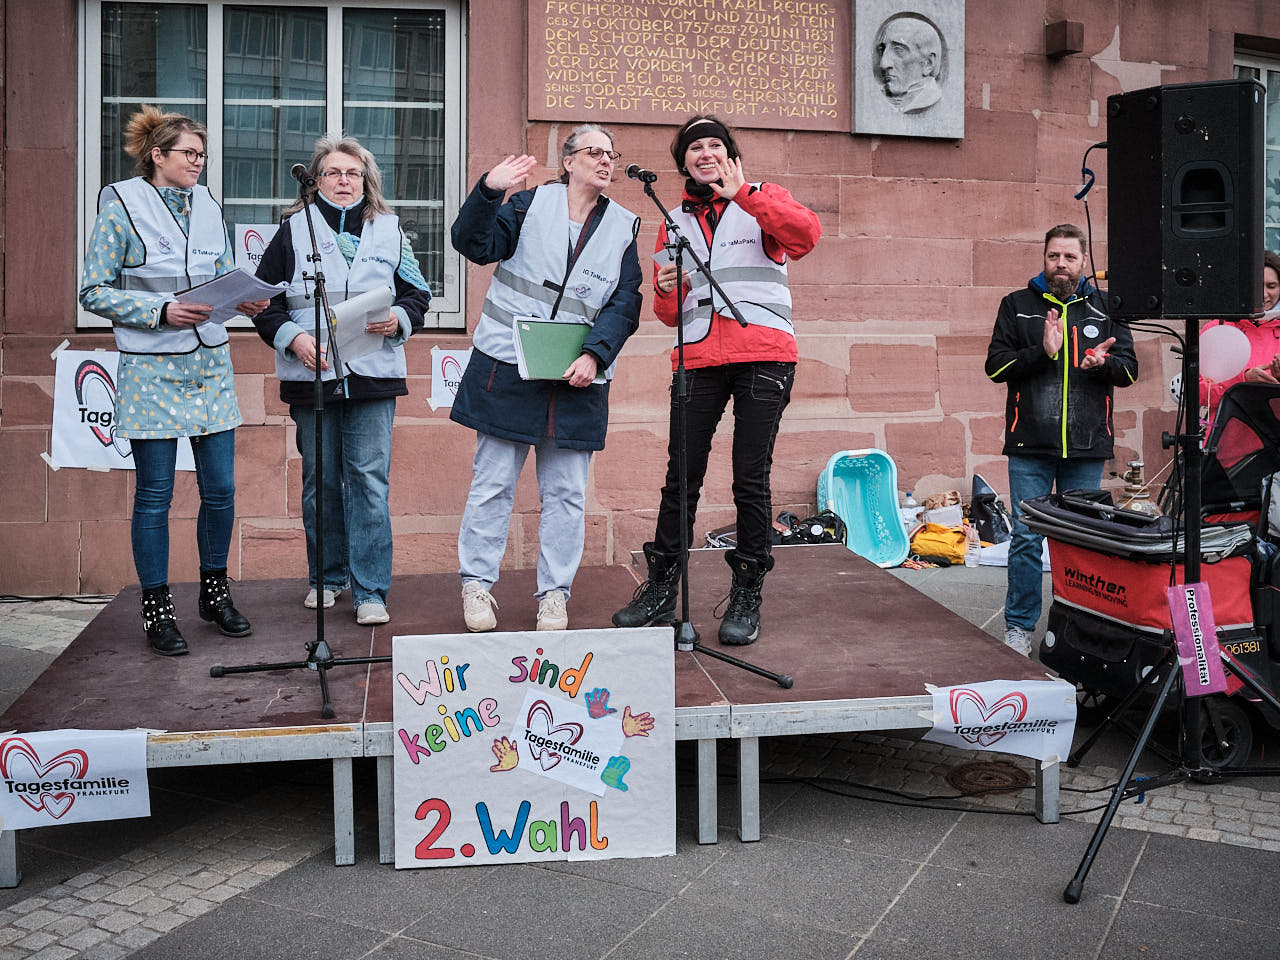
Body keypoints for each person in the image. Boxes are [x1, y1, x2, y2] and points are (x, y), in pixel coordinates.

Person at [612, 114, 822, 645]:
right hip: (698, 358)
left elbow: (805, 236)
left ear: (728, 154)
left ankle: (748, 592)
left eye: (714, 145)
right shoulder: (670, 219)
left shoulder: (763, 197)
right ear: (682, 160)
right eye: (694, 148)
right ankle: (661, 588)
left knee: (750, 477)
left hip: (764, 354)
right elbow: (668, 313)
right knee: (680, 474)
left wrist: (746, 193)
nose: (705, 154)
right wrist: (665, 289)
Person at [79, 106, 269, 656]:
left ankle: (214, 593)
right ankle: (157, 609)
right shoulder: (120, 204)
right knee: (156, 495)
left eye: (203, 155)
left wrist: (245, 299)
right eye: (189, 153)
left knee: (222, 489)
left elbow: (220, 276)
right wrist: (161, 310)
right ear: (157, 155)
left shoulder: (208, 204)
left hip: (208, 362)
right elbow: (93, 291)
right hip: (150, 365)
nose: (198, 162)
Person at [450, 124, 642, 633]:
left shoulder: (624, 225)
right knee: (492, 483)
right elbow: (474, 244)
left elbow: (625, 303)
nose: (605, 161)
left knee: (567, 493)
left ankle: (554, 594)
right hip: (508, 367)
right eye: (594, 152)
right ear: (569, 161)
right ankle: (476, 586)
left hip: (578, 377)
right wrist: (489, 190)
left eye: (610, 154)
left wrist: (597, 355)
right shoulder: (527, 204)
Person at [252, 135, 430, 626]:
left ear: (367, 180)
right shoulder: (293, 231)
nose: (344, 181)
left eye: (353, 173)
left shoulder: (391, 231)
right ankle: (327, 578)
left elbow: (418, 293)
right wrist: (292, 337)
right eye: (333, 172)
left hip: (373, 375)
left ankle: (370, 591)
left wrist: (399, 318)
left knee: (370, 483)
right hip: (315, 375)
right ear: (317, 180)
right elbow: (265, 302)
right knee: (321, 483)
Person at [985, 224, 1139, 656]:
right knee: (1027, 539)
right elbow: (995, 367)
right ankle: (1018, 628)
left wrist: (1101, 364)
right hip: (1030, 445)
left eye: (1070, 257)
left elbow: (1129, 373)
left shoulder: (1107, 307)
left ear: (1084, 262)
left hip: (1087, 448)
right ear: (1044, 258)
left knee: (1083, 545)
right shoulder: (1017, 306)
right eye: (1054, 256)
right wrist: (1043, 353)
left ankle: (1082, 630)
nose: (1061, 265)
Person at [1198, 249, 1280, 421]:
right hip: (1230, 439)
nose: (1264, 294)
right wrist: (1241, 380)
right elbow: (1196, 392)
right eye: (1256, 285)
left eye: (1271, 286)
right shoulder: (1218, 329)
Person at [874, 15, 944, 114]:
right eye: (882, 50)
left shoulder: (931, 98)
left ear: (928, 63)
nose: (883, 64)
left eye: (898, 51)